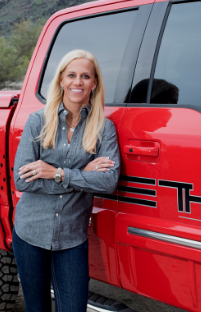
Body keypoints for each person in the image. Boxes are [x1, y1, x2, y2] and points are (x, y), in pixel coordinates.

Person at [12, 49, 121, 312]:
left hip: (72, 236)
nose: (78, 82)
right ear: (61, 79)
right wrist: (84, 171)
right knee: (36, 309)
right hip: (30, 232)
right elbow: (22, 180)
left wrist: (57, 172)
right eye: (71, 75)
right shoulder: (38, 121)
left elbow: (108, 182)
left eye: (85, 76)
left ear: (94, 83)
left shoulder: (104, 128)